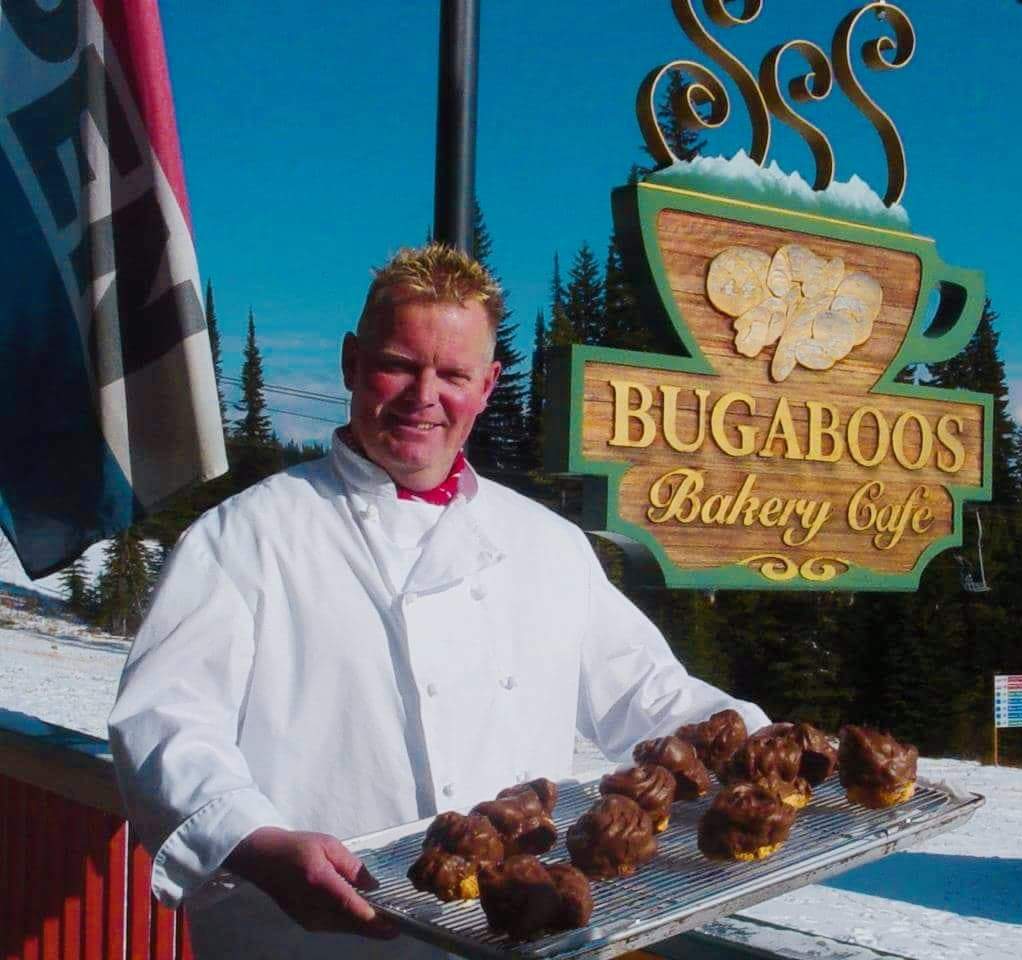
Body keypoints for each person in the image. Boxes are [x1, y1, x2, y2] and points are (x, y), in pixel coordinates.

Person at [108, 243, 769, 958]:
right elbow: (166, 724)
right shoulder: (245, 538)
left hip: (516, 933)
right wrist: (255, 842)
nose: (425, 396)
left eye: (453, 374)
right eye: (399, 364)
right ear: (352, 363)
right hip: (308, 939)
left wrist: (765, 750)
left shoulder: (546, 544)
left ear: (487, 385)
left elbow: (647, 696)